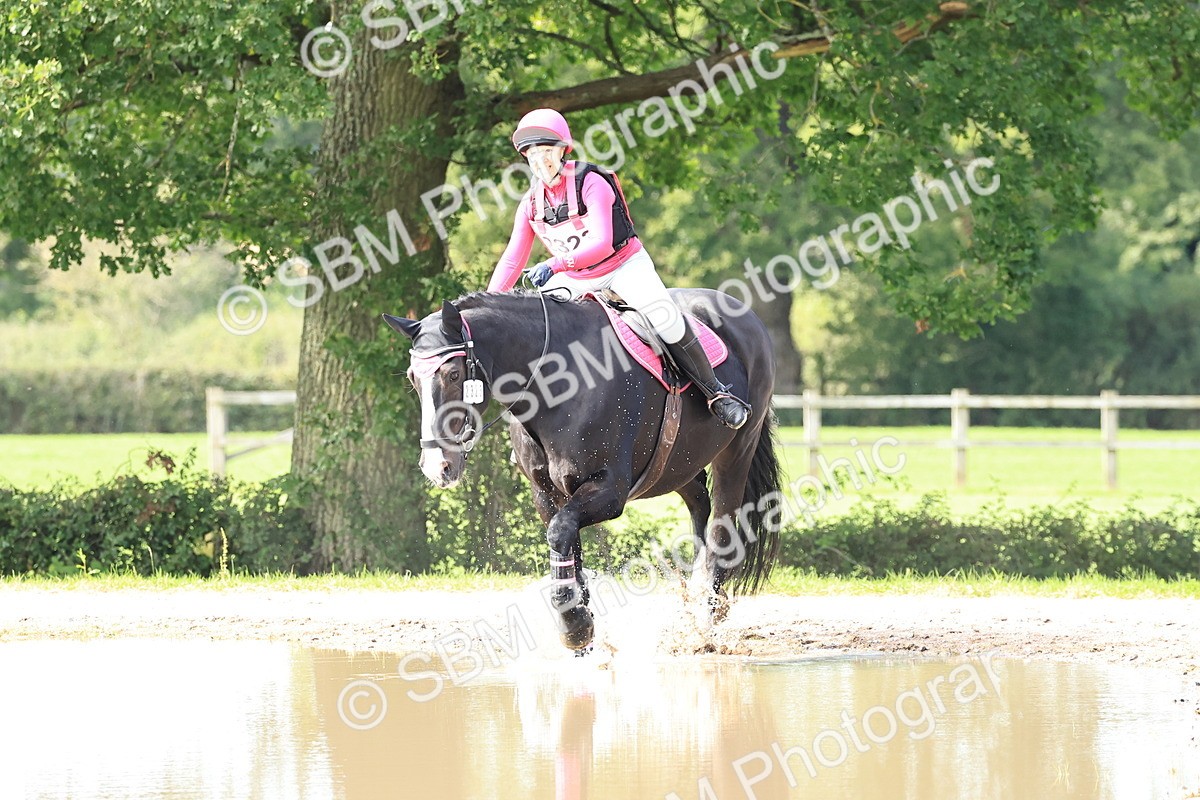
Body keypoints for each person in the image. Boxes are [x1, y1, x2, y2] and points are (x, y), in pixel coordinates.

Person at [486, 108, 751, 430]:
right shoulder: (530, 203)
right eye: (533, 155)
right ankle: (538, 424)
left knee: (663, 318)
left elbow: (601, 243)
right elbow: (512, 259)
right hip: (576, 277)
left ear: (562, 150)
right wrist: (489, 303)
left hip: (623, 266)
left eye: (547, 152)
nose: (541, 161)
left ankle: (716, 393)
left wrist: (555, 264)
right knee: (537, 325)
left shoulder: (592, 182)